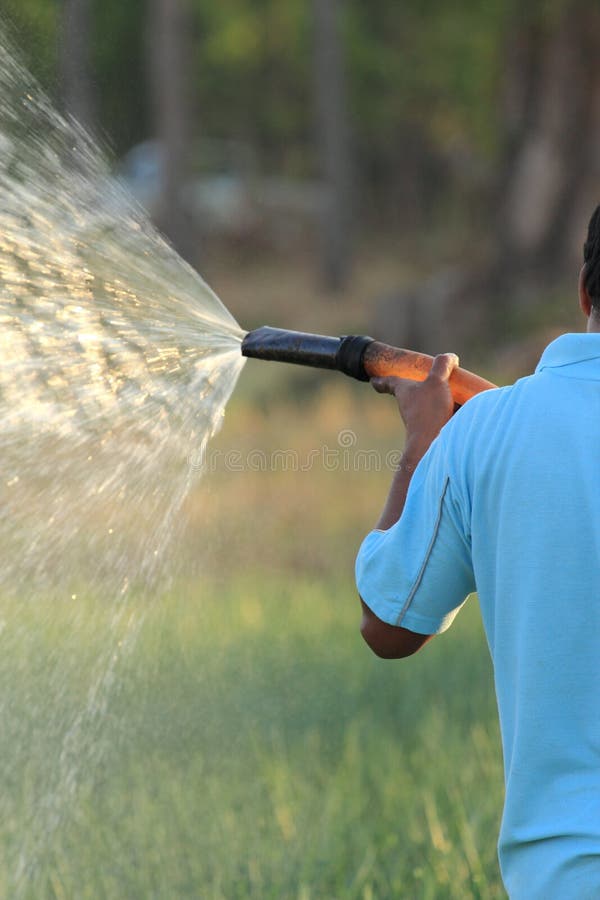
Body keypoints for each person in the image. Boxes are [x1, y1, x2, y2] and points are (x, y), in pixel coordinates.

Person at [355, 204, 600, 899]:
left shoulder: (487, 433)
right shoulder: (492, 427)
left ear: (584, 291)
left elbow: (389, 624)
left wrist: (425, 450)